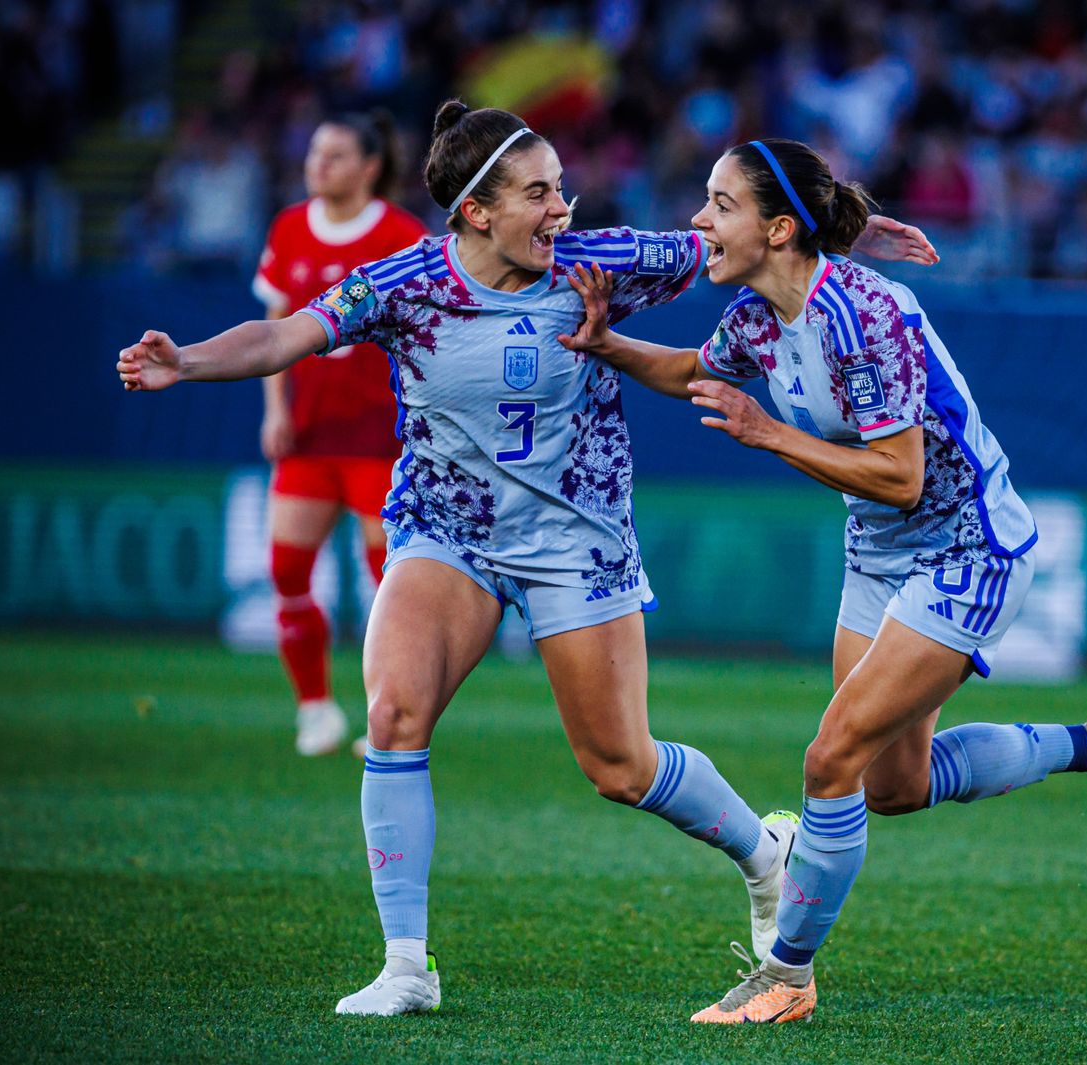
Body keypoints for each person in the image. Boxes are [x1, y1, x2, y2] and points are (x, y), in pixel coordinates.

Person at [117, 103, 936, 1017]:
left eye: (562, 189)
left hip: (574, 542)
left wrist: (842, 237)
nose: (562, 209)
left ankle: (760, 853)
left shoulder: (602, 263)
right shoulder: (404, 284)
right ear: (476, 212)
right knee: (391, 715)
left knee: (619, 768)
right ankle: (405, 966)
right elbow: (284, 336)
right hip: (446, 529)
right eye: (540, 193)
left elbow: (744, 246)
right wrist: (184, 360)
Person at [558, 138, 1087, 1024]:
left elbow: (902, 474)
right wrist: (606, 344)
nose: (698, 220)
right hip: (880, 553)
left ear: (776, 228)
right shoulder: (760, 316)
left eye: (719, 204)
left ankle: (787, 977)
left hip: (968, 549)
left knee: (830, 757)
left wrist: (770, 433)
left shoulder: (863, 314)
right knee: (893, 787)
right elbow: (696, 372)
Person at [252, 111, 429, 757]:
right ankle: (316, 709)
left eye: (333, 154)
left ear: (369, 166)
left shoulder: (401, 235)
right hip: (309, 437)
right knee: (287, 568)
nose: (316, 164)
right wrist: (275, 409)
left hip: (380, 439)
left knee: (391, 581)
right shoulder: (290, 227)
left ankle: (391, 710)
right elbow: (273, 327)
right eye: (313, 152)